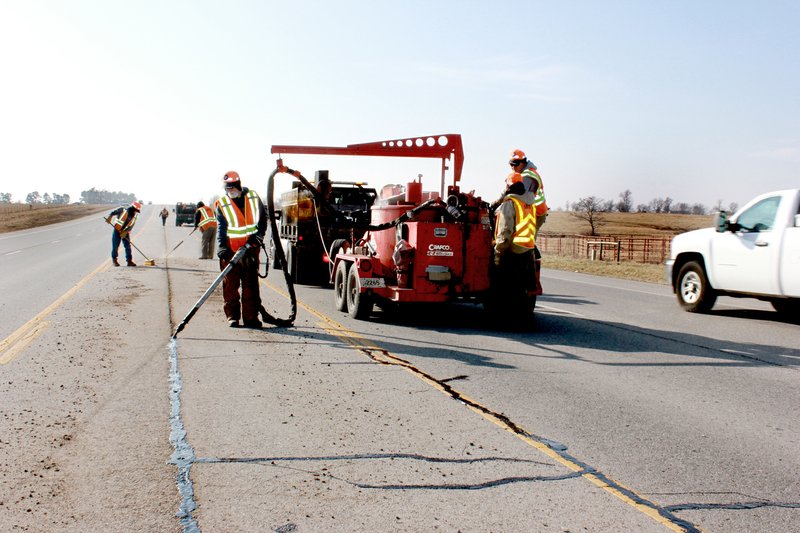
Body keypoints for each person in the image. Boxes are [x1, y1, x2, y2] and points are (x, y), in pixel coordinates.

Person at [215, 171, 267, 329]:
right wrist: (222, 247)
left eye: (232, 188)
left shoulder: (252, 197)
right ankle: (232, 316)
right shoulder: (222, 203)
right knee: (230, 285)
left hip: (250, 249)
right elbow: (221, 228)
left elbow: (263, 220)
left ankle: (251, 318)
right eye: (227, 189)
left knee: (250, 285)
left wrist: (257, 238)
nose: (230, 192)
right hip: (231, 251)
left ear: (238, 185)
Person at [491, 176, 538, 328]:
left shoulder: (510, 203)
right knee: (525, 285)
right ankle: (525, 317)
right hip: (528, 247)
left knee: (508, 285)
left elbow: (505, 232)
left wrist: (498, 252)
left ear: (508, 187)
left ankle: (509, 321)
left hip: (514, 249)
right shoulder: (530, 201)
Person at [508, 149, 548, 230]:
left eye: (516, 164)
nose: (513, 167)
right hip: (530, 210)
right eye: (511, 164)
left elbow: (519, 195)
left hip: (537, 212)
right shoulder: (520, 174)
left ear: (523, 162)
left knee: (526, 239)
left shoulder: (527, 176)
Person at [106, 201, 142, 267]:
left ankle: (129, 261)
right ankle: (114, 260)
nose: (136, 212)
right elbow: (113, 213)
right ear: (132, 208)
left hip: (125, 232)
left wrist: (125, 232)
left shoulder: (135, 216)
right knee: (115, 246)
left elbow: (131, 226)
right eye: (135, 210)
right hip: (117, 230)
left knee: (127, 246)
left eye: (137, 211)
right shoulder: (122, 210)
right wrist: (109, 217)